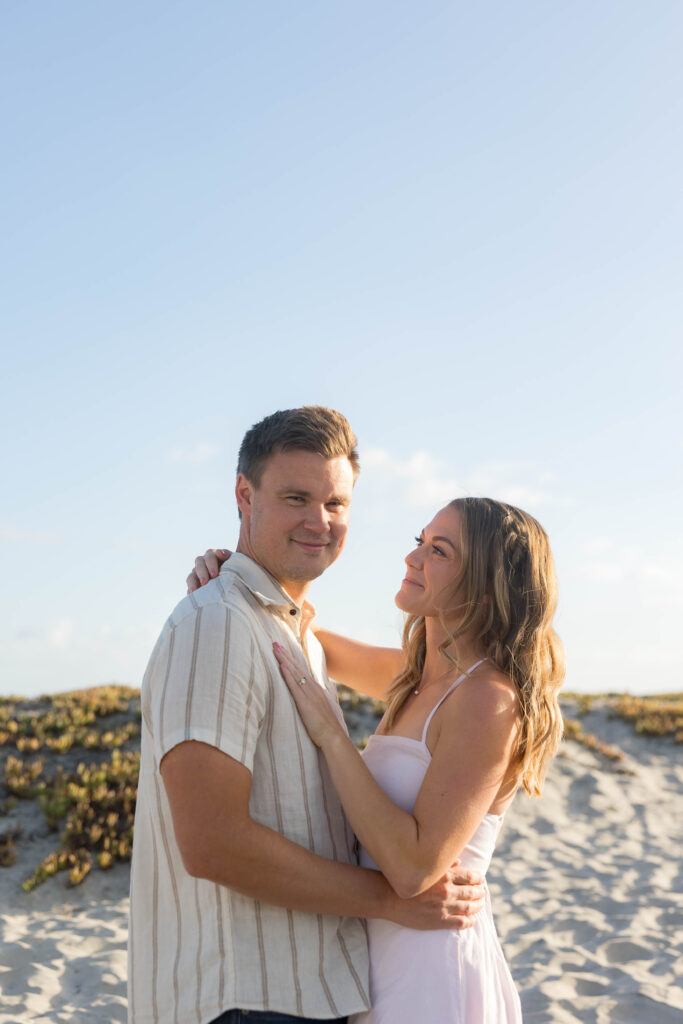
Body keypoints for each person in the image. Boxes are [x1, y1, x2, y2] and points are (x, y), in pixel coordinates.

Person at [129, 406, 484, 1024]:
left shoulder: (296, 640)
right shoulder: (216, 623)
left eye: (336, 504)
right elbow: (211, 843)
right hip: (245, 999)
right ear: (245, 494)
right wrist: (393, 901)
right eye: (296, 497)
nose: (319, 521)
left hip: (315, 992)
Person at [191, 497, 565, 1023]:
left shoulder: (487, 700)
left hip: (429, 971)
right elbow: (294, 636)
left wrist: (333, 735)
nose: (413, 558)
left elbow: (414, 869)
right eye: (420, 541)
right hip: (373, 962)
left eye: (439, 551)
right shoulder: (416, 678)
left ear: (486, 586)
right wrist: (231, 579)